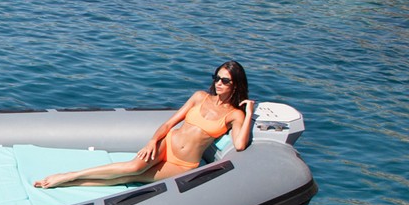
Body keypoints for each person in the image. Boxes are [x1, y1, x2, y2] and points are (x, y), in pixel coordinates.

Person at [33, 61, 256, 189]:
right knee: (132, 167)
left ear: (235, 85)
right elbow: (170, 123)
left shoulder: (234, 115)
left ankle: (68, 184)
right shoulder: (200, 97)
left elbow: (240, 145)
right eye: (216, 78)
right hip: (167, 144)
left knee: (132, 178)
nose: (218, 83)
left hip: (183, 164)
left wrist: (249, 113)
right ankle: (70, 175)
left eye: (225, 81)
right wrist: (152, 141)